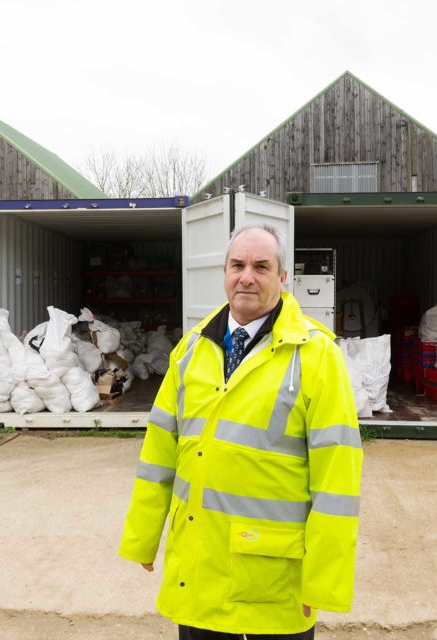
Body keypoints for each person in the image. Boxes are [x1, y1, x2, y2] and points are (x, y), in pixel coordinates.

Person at [119, 223, 363, 638]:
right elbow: (159, 450)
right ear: (225, 272)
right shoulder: (192, 349)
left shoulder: (316, 355)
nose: (247, 276)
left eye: (261, 266)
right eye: (237, 265)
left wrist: (323, 579)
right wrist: (143, 536)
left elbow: (337, 478)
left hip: (270, 578)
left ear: (283, 278)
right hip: (198, 572)